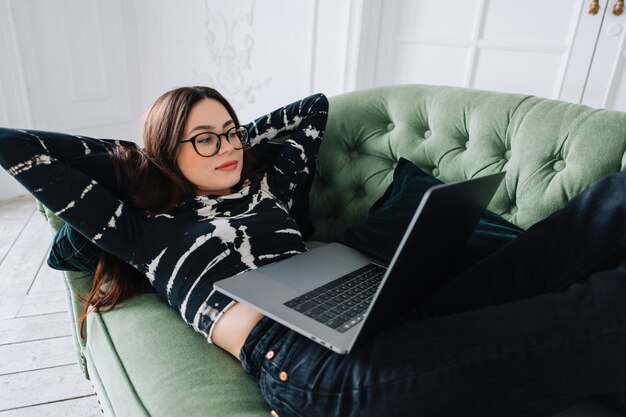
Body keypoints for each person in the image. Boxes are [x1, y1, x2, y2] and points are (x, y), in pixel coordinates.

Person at [0, 86, 625, 417]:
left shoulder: (268, 188)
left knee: (603, 209)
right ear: (166, 152)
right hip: (302, 362)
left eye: (232, 131)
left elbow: (310, 111)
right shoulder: (144, 226)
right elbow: (24, 148)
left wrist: (220, 140)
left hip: (379, 310)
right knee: (606, 309)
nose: (229, 146)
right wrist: (140, 156)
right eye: (204, 139)